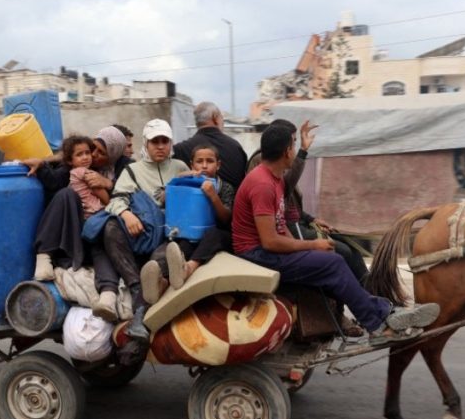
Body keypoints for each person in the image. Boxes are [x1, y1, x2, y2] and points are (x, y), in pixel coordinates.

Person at [232, 123, 439, 343]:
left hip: (265, 251)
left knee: (333, 258)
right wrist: (312, 246)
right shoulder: (262, 184)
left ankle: (383, 313)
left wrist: (304, 253)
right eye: (293, 145)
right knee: (333, 262)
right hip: (255, 254)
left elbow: (280, 227)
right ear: (287, 151)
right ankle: (378, 323)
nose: (295, 150)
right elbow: (270, 241)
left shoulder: (274, 179)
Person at [101, 119, 188, 341]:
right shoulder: (133, 170)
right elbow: (116, 199)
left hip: (169, 233)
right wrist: (126, 214)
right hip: (142, 230)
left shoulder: (180, 168)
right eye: (154, 141)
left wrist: (180, 187)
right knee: (110, 228)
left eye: (164, 141)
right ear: (146, 145)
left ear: (170, 143)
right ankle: (135, 286)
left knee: (166, 253)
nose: (160, 146)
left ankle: (140, 313)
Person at [29, 128, 128, 315]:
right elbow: (55, 176)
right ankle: (44, 256)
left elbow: (117, 199)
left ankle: (109, 295)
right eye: (92, 150)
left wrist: (106, 185)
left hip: (100, 227)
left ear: (114, 154)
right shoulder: (73, 172)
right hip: (75, 231)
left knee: (101, 242)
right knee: (66, 194)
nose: (91, 156)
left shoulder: (123, 169)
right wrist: (42, 163)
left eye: (99, 152)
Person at [271, 118, 369, 285]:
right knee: (342, 251)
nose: (293, 149)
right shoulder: (265, 163)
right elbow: (285, 191)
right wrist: (303, 151)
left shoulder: (282, 164)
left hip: (298, 222)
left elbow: (291, 203)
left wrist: (312, 219)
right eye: (293, 143)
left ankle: (371, 291)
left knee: (351, 245)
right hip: (289, 227)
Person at [139, 143, 236, 303]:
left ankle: (189, 267)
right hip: (189, 236)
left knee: (214, 235)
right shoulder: (185, 182)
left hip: (216, 236)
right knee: (177, 248)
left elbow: (226, 218)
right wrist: (179, 181)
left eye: (210, 161)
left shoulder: (224, 187)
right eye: (199, 161)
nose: (204, 165)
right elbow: (162, 200)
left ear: (218, 165)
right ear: (192, 164)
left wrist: (213, 196)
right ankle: (161, 283)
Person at [172, 101, 248, 188]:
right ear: (215, 118)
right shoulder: (235, 147)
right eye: (221, 118)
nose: (204, 166)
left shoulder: (180, 150)